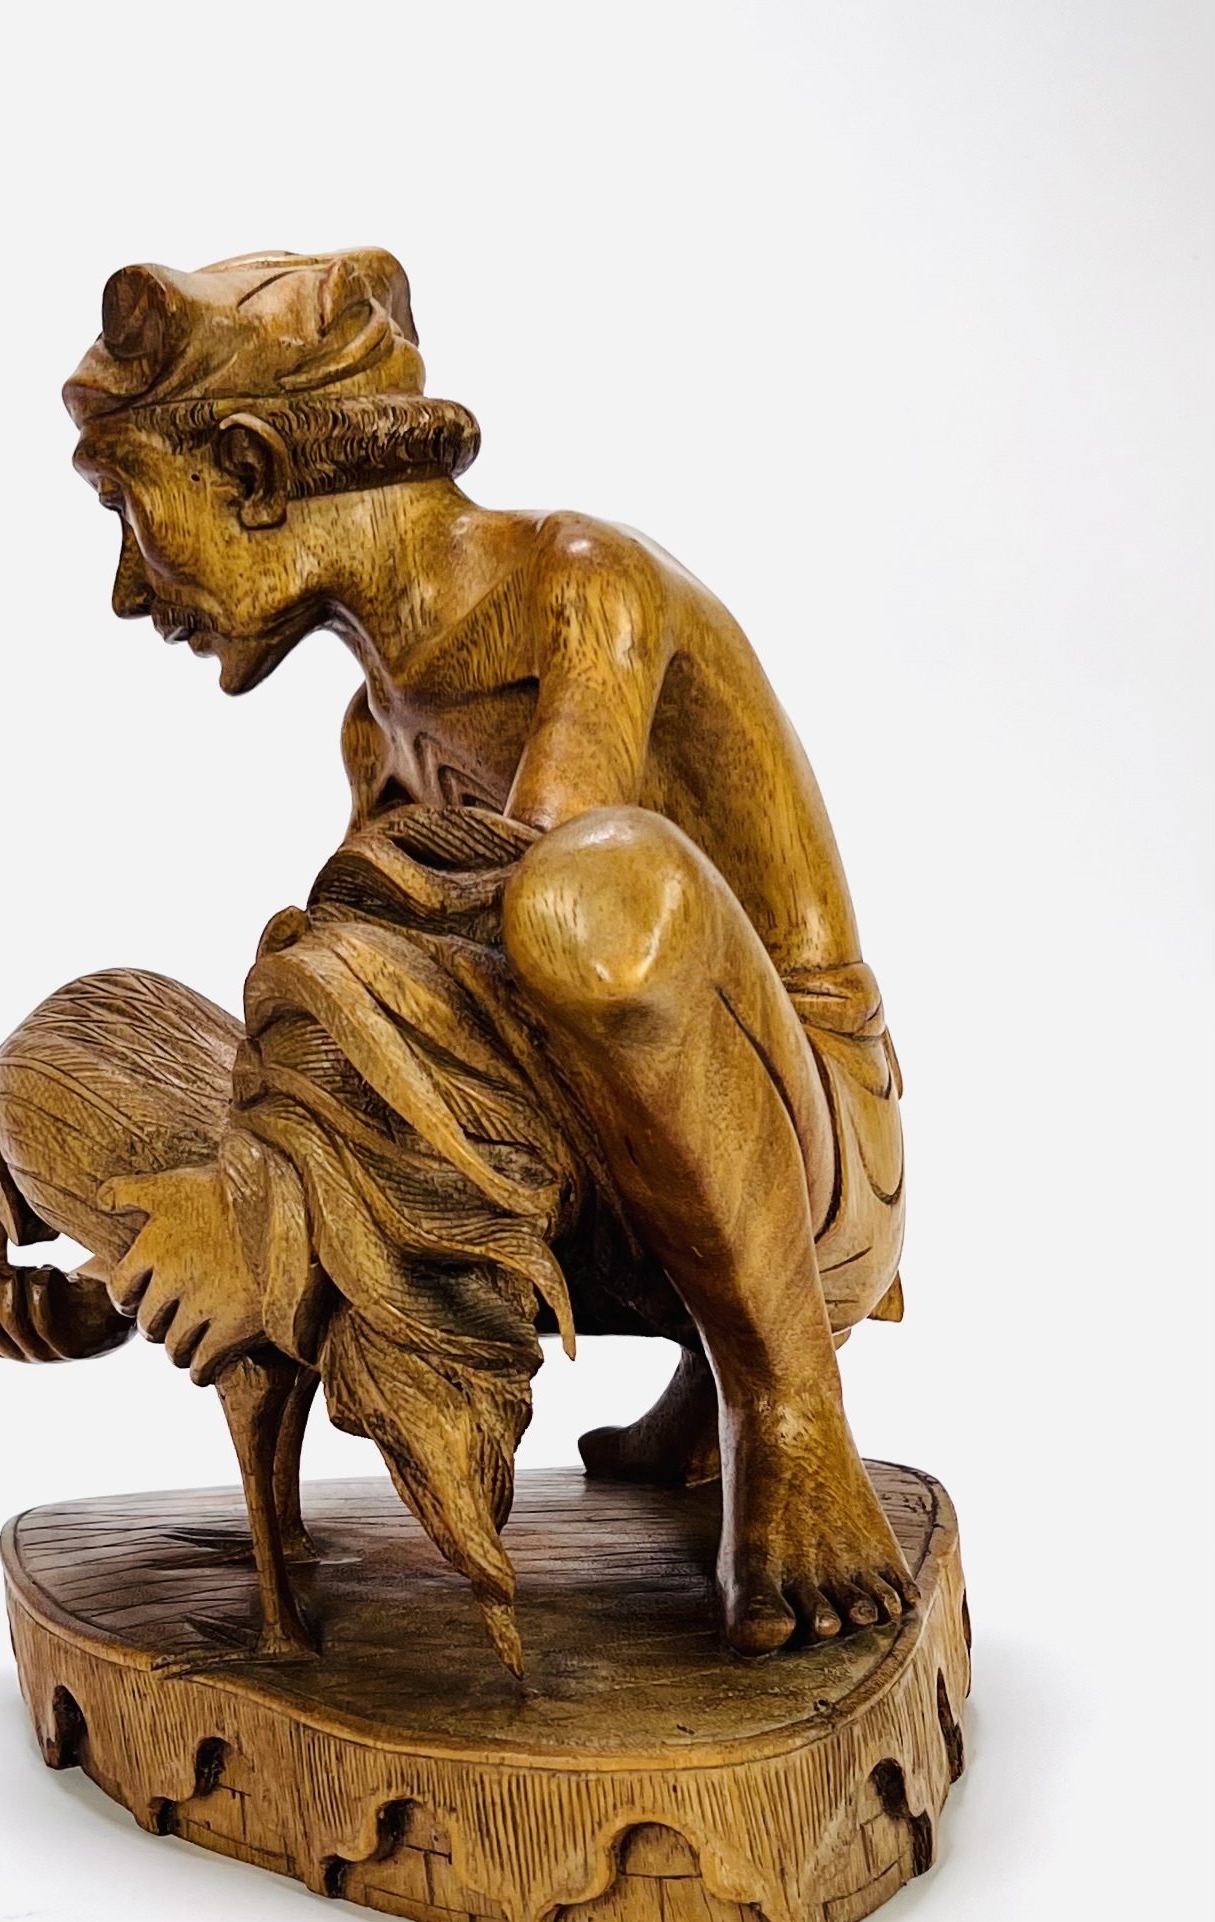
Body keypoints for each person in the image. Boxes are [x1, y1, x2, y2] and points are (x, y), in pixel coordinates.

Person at [62, 249, 914, 1654]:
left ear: (254, 471)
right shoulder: (376, 731)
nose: (124, 589)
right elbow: (375, 1040)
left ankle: (787, 1406)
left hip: (801, 1156)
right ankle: (706, 1377)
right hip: (617, 1179)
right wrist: (126, 1257)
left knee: (582, 895)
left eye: (126, 509)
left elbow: (521, 931)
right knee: (356, 1028)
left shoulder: (584, 585)